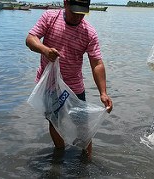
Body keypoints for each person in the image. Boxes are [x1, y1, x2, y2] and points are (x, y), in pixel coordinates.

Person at [25, 0, 113, 158]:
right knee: (55, 120)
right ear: (65, 3)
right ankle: (59, 156)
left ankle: (86, 161)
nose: (78, 17)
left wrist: (103, 93)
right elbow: (30, 39)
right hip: (50, 85)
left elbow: (97, 63)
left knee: (83, 125)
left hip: (74, 86)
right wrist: (45, 50)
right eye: (74, 12)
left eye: (82, 13)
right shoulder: (50, 17)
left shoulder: (89, 32)